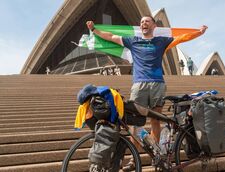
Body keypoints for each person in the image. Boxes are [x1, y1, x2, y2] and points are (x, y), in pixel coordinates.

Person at [86, 16, 207, 170]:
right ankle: (133, 158)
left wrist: (199, 32)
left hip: (157, 84)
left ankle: (157, 154)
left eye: (147, 21)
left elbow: (181, 38)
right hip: (139, 85)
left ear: (153, 26)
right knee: (135, 123)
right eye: (142, 22)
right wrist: (94, 30)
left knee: (156, 120)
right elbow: (110, 37)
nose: (144, 23)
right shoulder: (133, 41)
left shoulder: (161, 41)